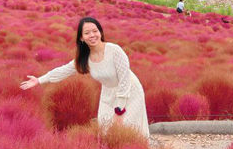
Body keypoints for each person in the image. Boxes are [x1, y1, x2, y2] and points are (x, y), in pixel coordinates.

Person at [20, 17, 150, 138]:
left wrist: (119, 110)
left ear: (100, 32)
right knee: (105, 131)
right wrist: (39, 80)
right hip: (108, 94)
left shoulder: (114, 50)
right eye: (87, 33)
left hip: (129, 92)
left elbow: (124, 80)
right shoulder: (85, 59)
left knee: (127, 129)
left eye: (95, 31)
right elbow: (63, 70)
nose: (92, 35)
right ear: (81, 38)